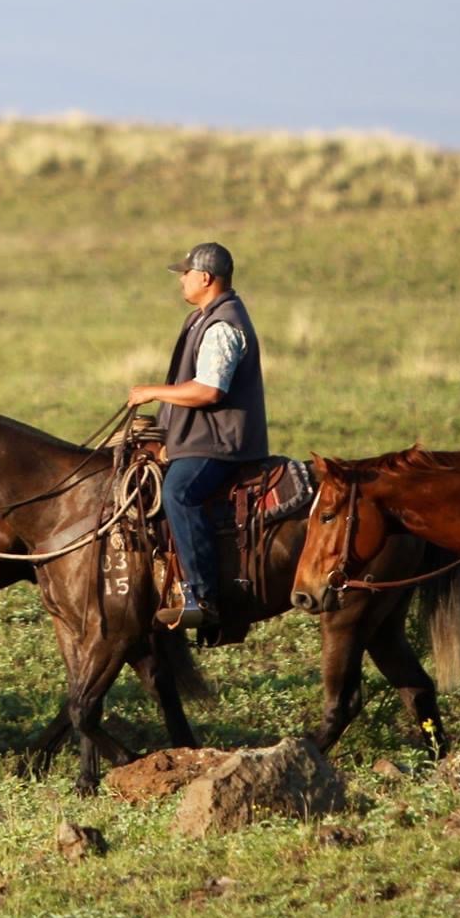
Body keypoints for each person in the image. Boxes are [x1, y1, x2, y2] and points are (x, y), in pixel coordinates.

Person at [128, 241, 268, 632]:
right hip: (198, 437)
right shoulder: (201, 318)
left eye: (185, 274)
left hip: (221, 444)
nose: (182, 282)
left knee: (179, 492)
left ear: (205, 278)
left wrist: (152, 392)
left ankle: (202, 596)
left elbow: (209, 391)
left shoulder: (223, 325)